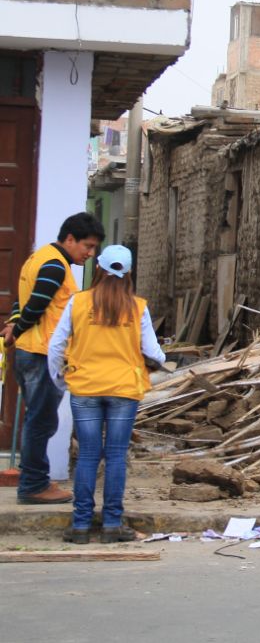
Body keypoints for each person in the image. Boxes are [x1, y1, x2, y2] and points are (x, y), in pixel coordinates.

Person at [47, 245, 164, 544]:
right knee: (115, 456)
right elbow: (154, 353)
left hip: (85, 387)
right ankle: (112, 524)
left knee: (87, 455)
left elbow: (56, 346)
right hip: (124, 389)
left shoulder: (78, 302)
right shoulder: (137, 307)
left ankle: (80, 525)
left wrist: (60, 379)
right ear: (129, 272)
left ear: (98, 268)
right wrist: (153, 361)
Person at [3, 212, 104, 504]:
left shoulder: (38, 259)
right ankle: (34, 485)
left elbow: (20, 301)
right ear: (69, 239)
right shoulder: (55, 266)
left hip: (31, 351)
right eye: (87, 246)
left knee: (36, 420)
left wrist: (15, 323)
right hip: (42, 355)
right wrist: (18, 328)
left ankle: (34, 480)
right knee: (41, 422)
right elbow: (36, 304)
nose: (90, 253)